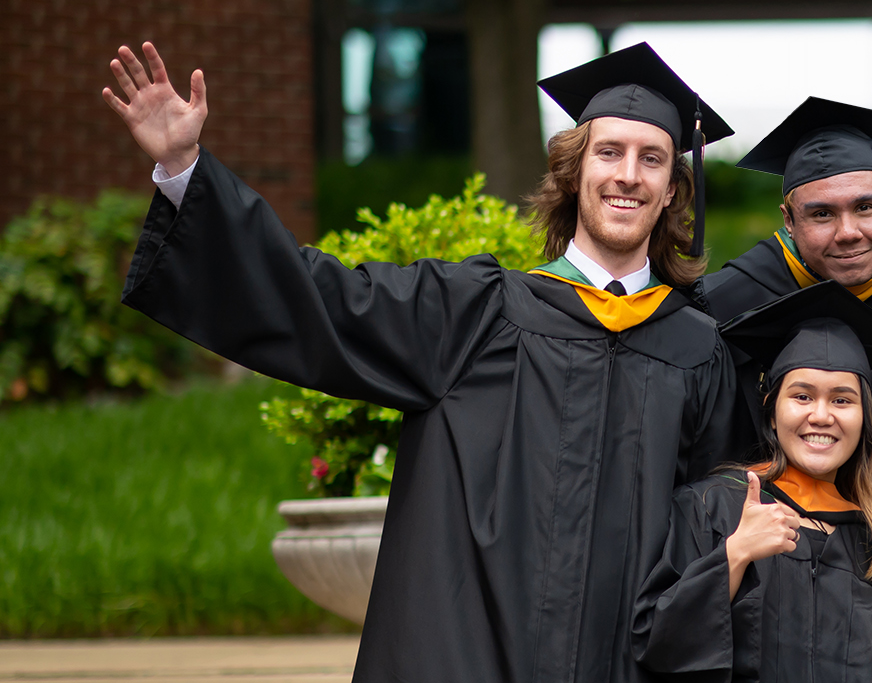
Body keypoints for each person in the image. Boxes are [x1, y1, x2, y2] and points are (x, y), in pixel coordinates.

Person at [102, 41, 736, 683]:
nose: (628, 175)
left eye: (651, 159)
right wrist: (185, 168)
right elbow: (323, 299)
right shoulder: (474, 313)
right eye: (609, 152)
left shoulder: (695, 351)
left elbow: (708, 534)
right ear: (575, 173)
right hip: (472, 659)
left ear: (671, 191)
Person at [634, 282, 872, 683]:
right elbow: (656, 644)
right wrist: (733, 555)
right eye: (802, 396)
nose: (821, 415)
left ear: (865, 419)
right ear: (770, 413)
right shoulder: (712, 509)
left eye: (842, 400)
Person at [701, 97, 872, 458]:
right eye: (822, 214)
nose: (848, 232)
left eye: (865, 207)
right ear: (788, 221)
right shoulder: (729, 298)